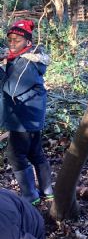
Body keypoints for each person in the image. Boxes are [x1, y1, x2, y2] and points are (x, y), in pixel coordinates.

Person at [0, 19, 53, 205]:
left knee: (15, 155)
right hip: (31, 117)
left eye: (17, 40)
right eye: (10, 40)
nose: (12, 43)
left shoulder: (25, 63)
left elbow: (11, 89)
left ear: (28, 42)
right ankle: (47, 190)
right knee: (35, 152)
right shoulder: (25, 58)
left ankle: (30, 196)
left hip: (23, 118)